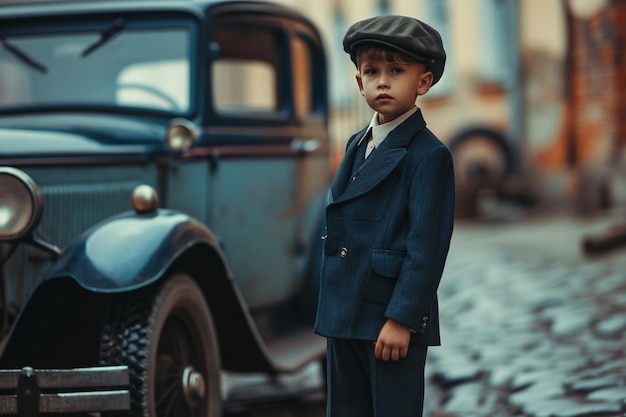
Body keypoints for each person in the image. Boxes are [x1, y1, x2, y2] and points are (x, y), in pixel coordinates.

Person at [313, 15, 455, 417]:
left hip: (387, 317)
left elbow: (426, 247)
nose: (383, 81)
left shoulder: (429, 155)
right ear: (359, 83)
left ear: (423, 82)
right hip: (343, 312)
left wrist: (402, 319)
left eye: (397, 70)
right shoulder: (356, 144)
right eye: (372, 71)